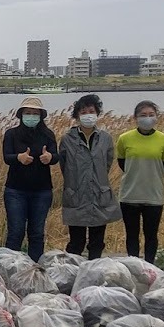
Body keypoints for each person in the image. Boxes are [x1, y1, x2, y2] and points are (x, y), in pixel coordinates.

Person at [58, 94, 122, 260]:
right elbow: (64, 165)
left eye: (91, 111)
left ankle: (94, 273)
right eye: (83, 111)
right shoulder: (67, 139)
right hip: (76, 194)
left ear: (97, 113)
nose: (88, 114)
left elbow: (107, 162)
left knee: (97, 241)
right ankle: (72, 276)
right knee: (76, 242)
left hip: (99, 193)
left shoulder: (106, 138)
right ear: (77, 115)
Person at [115, 100, 164, 263]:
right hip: (130, 194)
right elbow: (122, 163)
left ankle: (150, 266)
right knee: (132, 234)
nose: (147, 118)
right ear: (135, 118)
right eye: (143, 115)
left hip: (154, 194)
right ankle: (134, 266)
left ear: (156, 117)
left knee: (151, 235)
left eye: (151, 115)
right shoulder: (124, 138)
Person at [2, 96, 59, 261]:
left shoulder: (48, 134)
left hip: (42, 191)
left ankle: (35, 268)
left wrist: (49, 157)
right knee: (16, 231)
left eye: (35, 113)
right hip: (15, 190)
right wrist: (18, 158)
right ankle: (10, 266)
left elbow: (56, 156)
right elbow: (6, 157)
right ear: (20, 114)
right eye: (28, 112)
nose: (31, 116)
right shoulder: (11, 134)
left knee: (36, 233)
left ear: (41, 116)